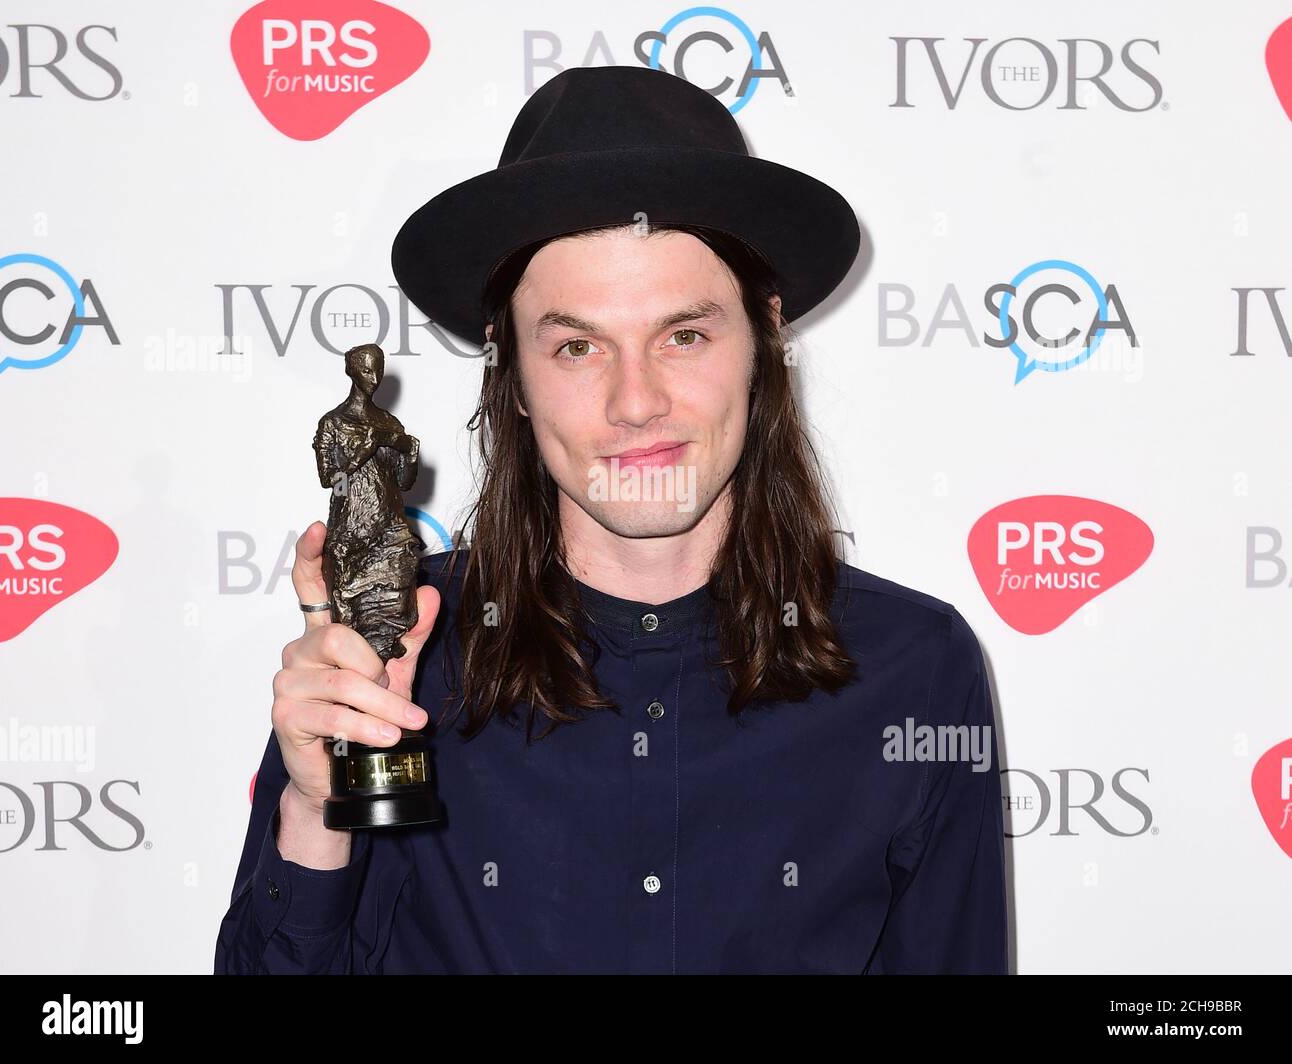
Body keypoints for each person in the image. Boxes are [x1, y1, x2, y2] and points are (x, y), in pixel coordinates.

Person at [214, 65, 1008, 975]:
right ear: (510, 376)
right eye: (578, 346)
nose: (637, 402)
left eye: (685, 334)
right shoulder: (396, 649)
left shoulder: (913, 666)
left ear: (766, 341)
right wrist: (317, 812)